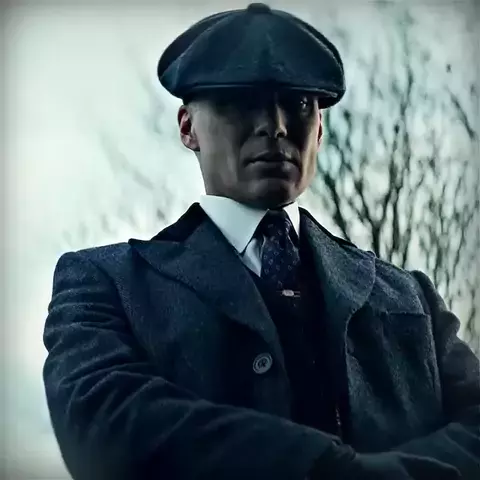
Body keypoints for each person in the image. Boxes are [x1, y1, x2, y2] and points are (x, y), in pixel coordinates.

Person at [42, 4, 480, 480]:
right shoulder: (106, 282)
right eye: (240, 102)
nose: (275, 125)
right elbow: (106, 422)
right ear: (188, 127)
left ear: (320, 128)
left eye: (299, 104)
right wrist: (328, 469)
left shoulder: (409, 294)